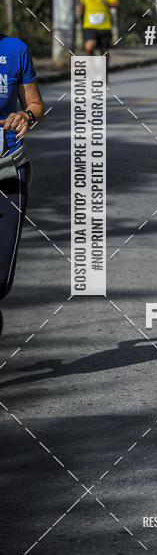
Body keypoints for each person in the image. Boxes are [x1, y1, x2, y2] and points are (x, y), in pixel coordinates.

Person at [0, 32, 44, 334]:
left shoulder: (15, 49)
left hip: (8, 168)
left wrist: (26, 115)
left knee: (0, 280)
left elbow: (36, 104)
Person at [77, 0, 118, 66]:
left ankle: (104, 69)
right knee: (89, 47)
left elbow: (116, 3)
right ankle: (92, 67)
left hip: (104, 26)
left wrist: (107, 3)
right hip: (89, 25)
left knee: (104, 51)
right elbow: (83, 2)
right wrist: (80, 9)